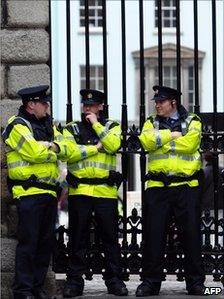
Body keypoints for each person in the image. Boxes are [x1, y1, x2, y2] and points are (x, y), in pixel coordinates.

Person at [136, 86, 206, 296]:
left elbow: (191, 144)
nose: (157, 105)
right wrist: (173, 134)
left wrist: (162, 142)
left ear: (173, 102)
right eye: (156, 101)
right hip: (157, 187)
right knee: (154, 235)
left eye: (161, 101)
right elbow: (146, 141)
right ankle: (150, 282)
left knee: (191, 236)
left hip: (186, 186)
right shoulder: (150, 121)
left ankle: (195, 283)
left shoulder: (193, 120)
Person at [2, 85, 68, 299]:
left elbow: (69, 148)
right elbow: (32, 152)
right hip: (28, 192)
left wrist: (53, 146)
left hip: (49, 192)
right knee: (28, 243)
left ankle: (37, 288)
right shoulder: (16, 125)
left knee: (44, 244)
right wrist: (53, 149)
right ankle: (23, 290)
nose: (47, 106)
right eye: (43, 103)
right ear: (31, 104)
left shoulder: (49, 125)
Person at [62, 89, 128, 298]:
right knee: (77, 238)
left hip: (104, 192)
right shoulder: (71, 128)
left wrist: (97, 126)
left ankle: (114, 280)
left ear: (101, 107)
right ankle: (74, 282)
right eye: (85, 105)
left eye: (92, 105)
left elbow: (114, 145)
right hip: (79, 190)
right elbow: (68, 152)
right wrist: (95, 148)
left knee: (109, 239)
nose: (87, 108)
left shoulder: (111, 126)